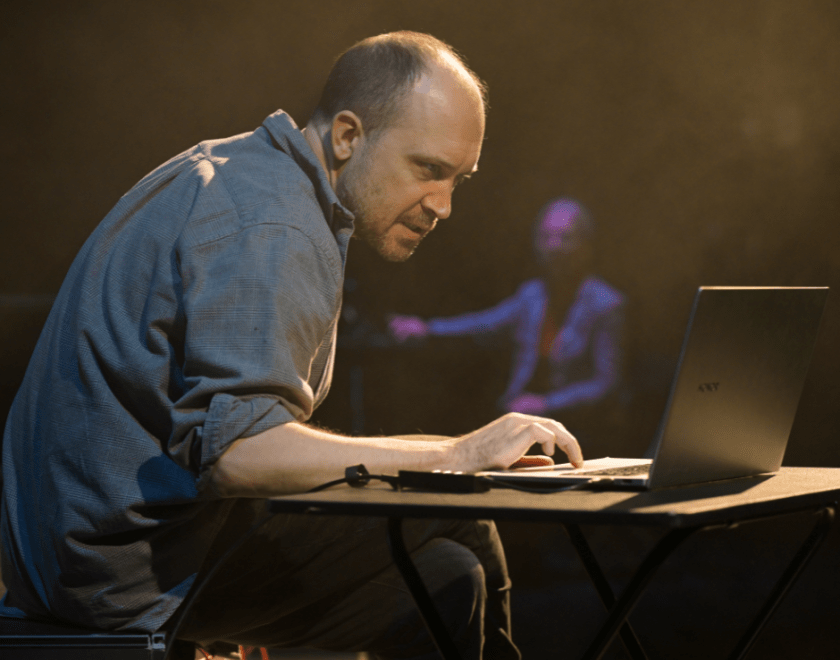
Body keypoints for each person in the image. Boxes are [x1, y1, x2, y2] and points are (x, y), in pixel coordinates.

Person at [0, 32, 583, 659]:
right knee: (453, 543)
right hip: (115, 576)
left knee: (449, 564)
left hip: (72, 550)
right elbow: (238, 454)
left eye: (458, 180)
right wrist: (457, 454)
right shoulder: (276, 224)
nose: (443, 205)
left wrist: (457, 456)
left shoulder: (244, 171)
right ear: (348, 137)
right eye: (428, 170)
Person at [390, 198, 626, 435]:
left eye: (565, 238)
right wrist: (427, 329)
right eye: (546, 237)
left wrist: (546, 404)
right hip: (520, 421)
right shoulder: (532, 295)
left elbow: (606, 383)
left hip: (581, 428)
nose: (554, 247)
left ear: (586, 246)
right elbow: (484, 324)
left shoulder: (606, 304)